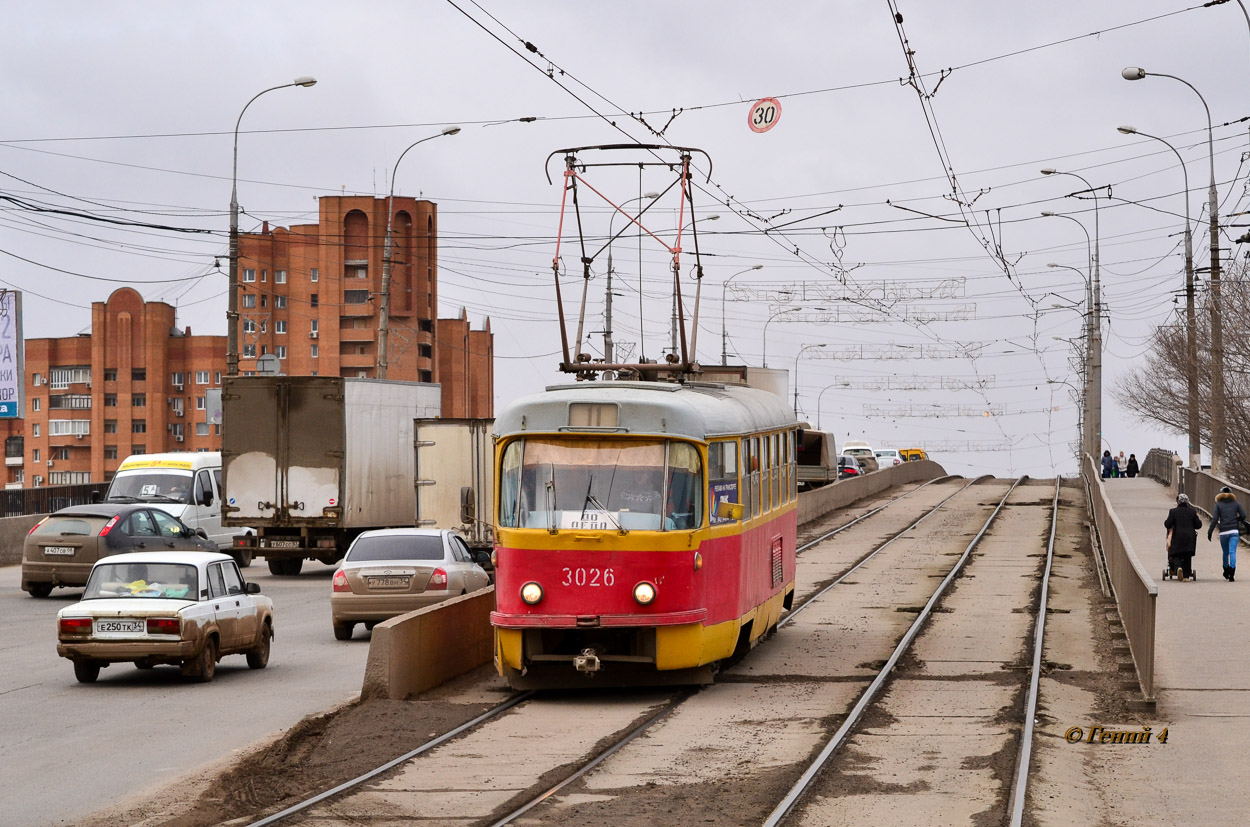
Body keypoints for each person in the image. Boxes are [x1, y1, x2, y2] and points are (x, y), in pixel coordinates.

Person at [1209, 486, 1248, 581]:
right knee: (1232, 552)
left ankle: (1226, 570)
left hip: (1223, 531)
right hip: (1234, 531)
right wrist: (1236, 519)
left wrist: (1210, 532)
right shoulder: (1236, 503)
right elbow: (1243, 515)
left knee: (1225, 552)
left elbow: (1215, 519)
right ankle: (1232, 572)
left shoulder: (1218, 505)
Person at [1164, 493, 1202, 581]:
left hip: (1177, 537)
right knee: (1187, 556)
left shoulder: (1173, 511)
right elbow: (1198, 525)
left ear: (1178, 502)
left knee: (1176, 554)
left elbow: (1167, 524)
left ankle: (1178, 568)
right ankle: (1186, 576)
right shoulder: (1192, 512)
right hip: (1190, 538)